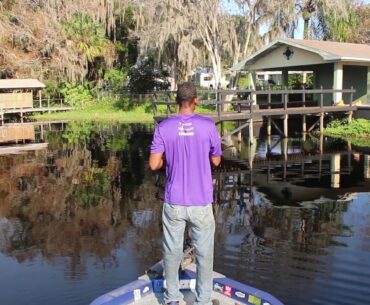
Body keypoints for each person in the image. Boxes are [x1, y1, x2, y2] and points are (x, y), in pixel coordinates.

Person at [149, 82, 222, 305]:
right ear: (195, 100)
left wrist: (165, 160)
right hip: (201, 201)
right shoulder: (208, 126)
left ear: (176, 100)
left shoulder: (163, 127)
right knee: (204, 253)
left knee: (172, 252)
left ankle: (172, 299)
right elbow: (216, 160)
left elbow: (153, 164)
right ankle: (203, 301)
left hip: (174, 201)